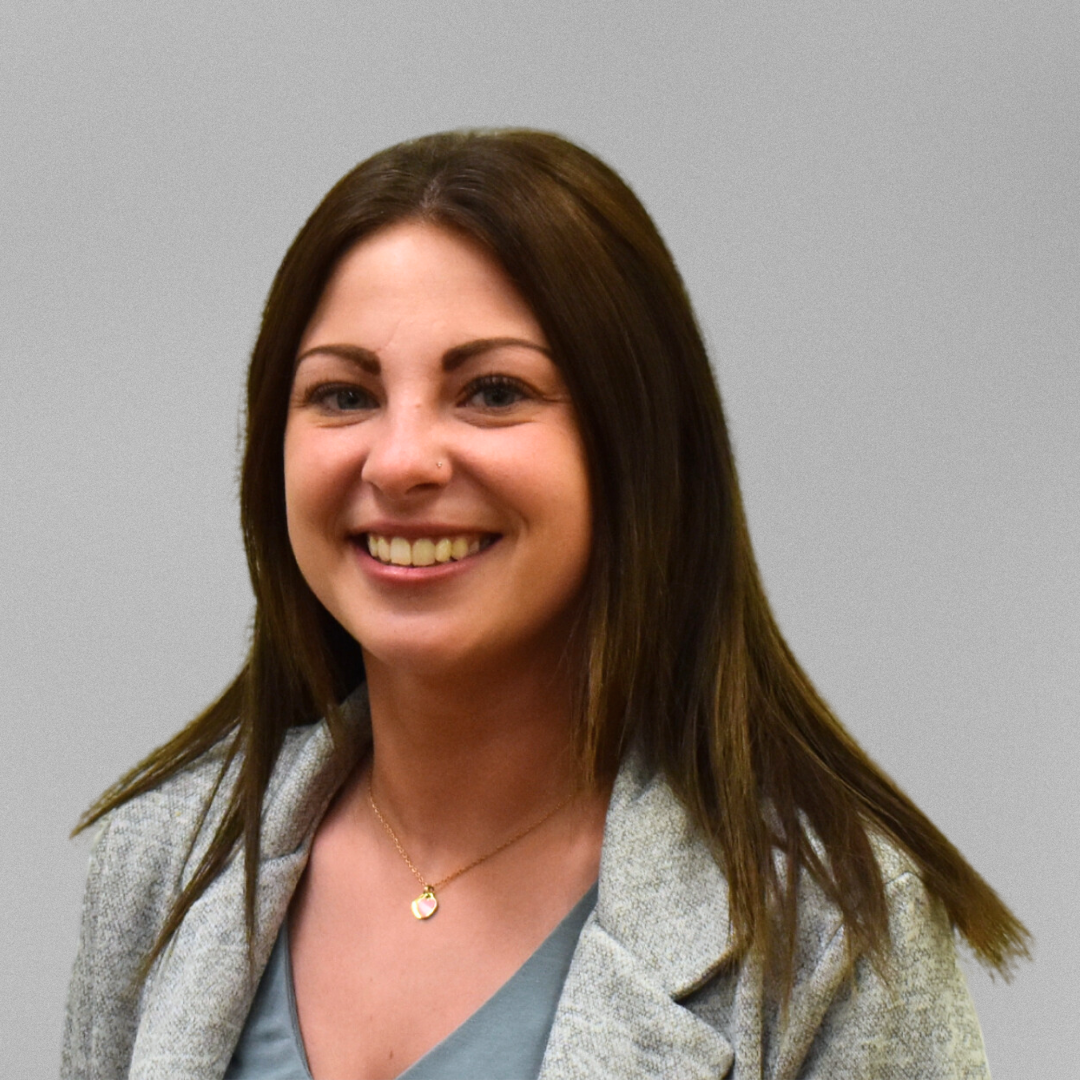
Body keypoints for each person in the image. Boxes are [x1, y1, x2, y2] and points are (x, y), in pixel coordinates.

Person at [62, 129, 1029, 1080]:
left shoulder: (832, 935)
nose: (399, 461)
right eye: (345, 395)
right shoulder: (159, 871)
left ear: (635, 449)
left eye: (490, 390)